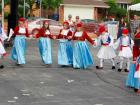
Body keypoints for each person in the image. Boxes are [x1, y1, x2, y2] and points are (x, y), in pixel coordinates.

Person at [126, 26, 140, 93]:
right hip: (138, 57)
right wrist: (135, 58)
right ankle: (137, 87)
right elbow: (135, 48)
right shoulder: (138, 35)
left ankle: (136, 86)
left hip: (137, 57)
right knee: (138, 72)